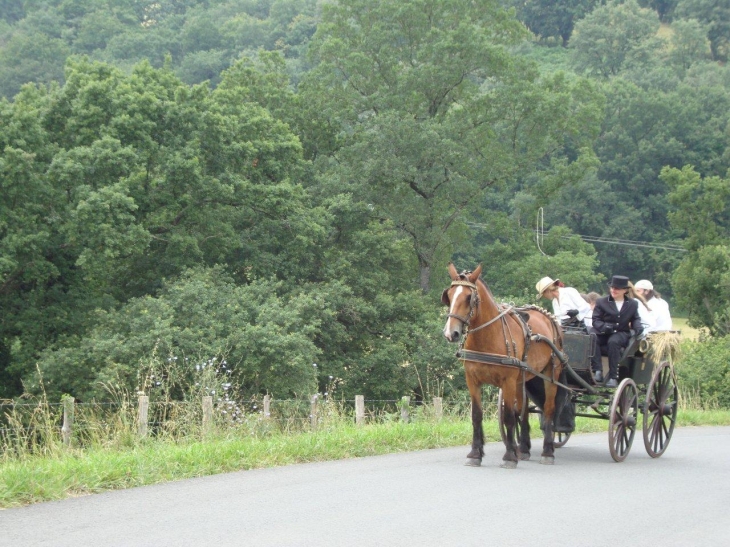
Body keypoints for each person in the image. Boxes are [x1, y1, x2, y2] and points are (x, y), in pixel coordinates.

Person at [590, 275, 643, 388]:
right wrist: (605, 327)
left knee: (613, 342)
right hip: (603, 332)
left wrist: (638, 327)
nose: (613, 290)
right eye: (612, 288)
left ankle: (613, 377)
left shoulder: (632, 304)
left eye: (617, 288)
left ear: (625, 290)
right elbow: (596, 320)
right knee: (592, 337)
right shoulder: (601, 302)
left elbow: (635, 319)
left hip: (621, 332)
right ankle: (598, 371)